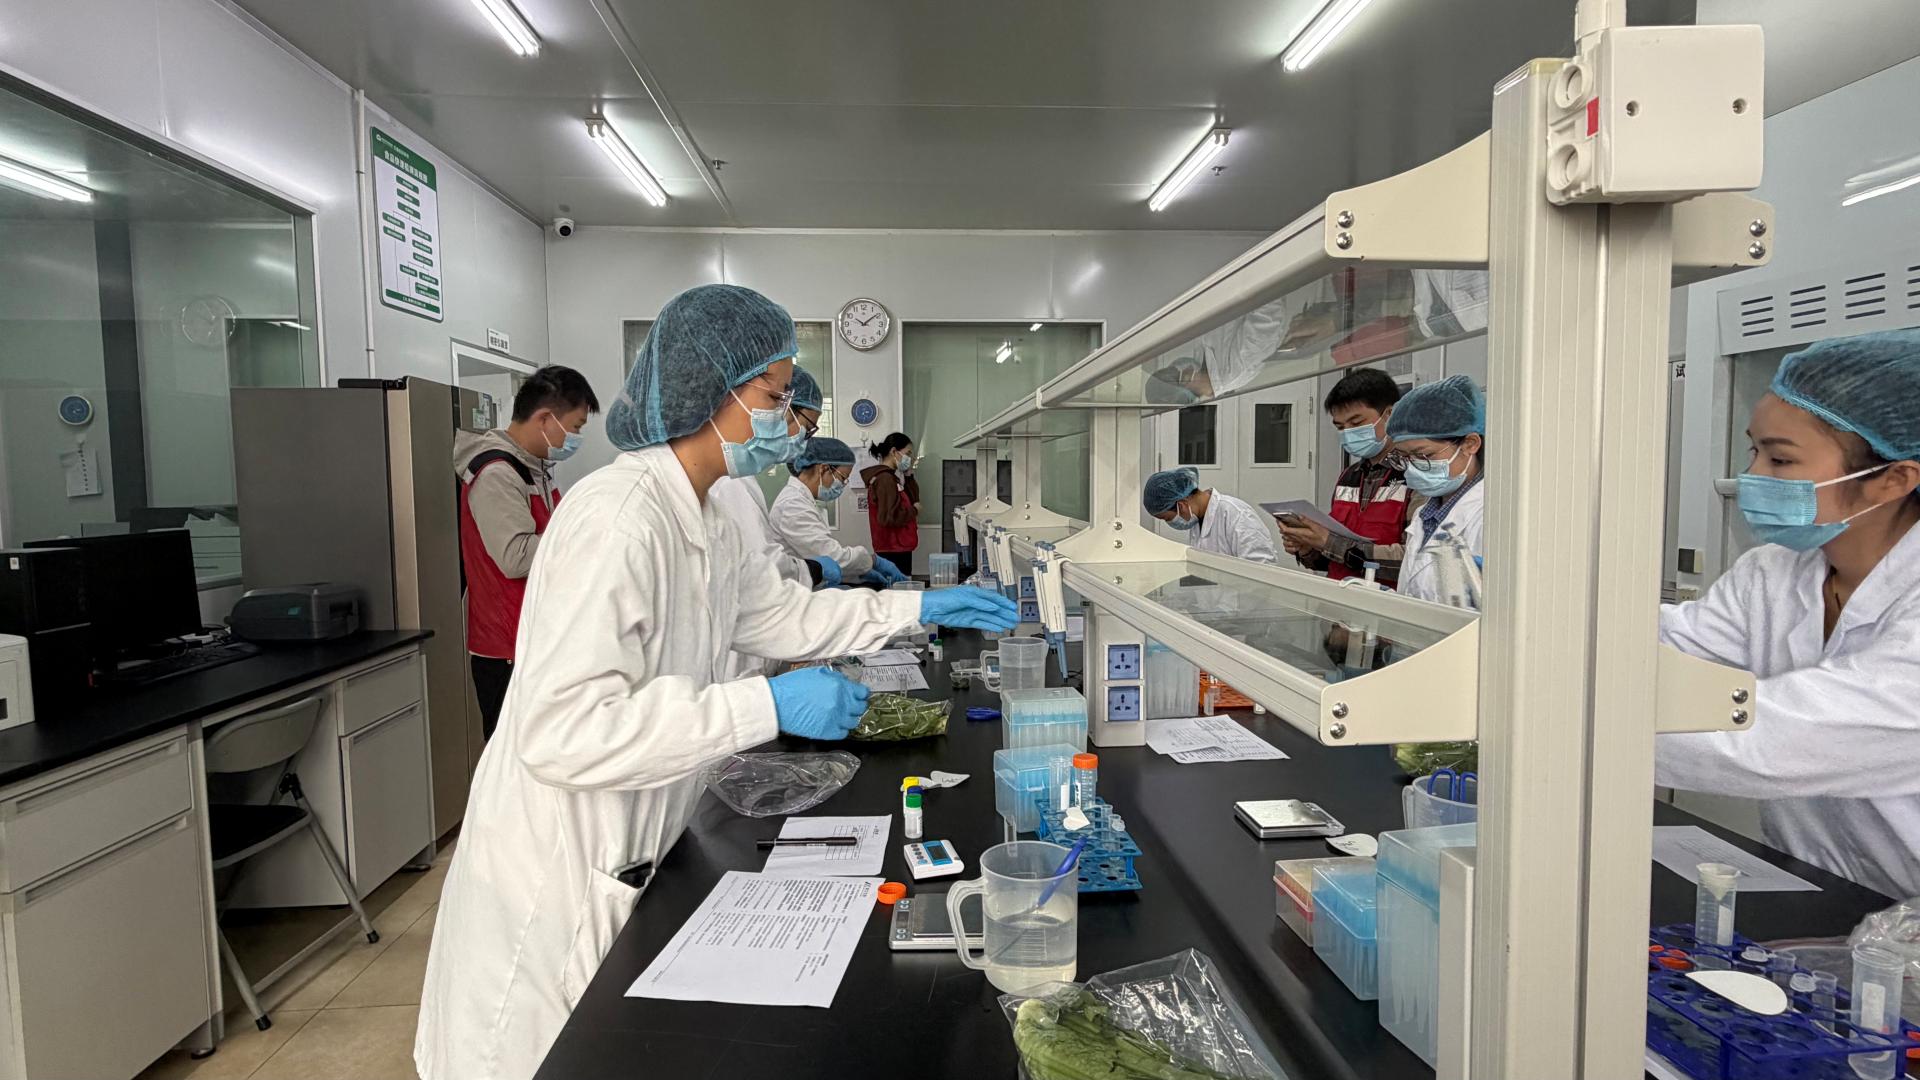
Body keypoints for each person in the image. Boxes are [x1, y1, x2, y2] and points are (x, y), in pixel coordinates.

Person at [414, 284, 1017, 1080]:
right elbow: (563, 732)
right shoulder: (617, 518)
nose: (786, 420)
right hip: (560, 871)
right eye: (774, 396)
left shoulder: (707, 513)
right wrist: (764, 703)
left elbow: (780, 616)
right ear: (708, 391)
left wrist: (915, 606)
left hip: (642, 836)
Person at [1657, 330, 1920, 899]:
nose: (1753, 475)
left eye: (1780, 458)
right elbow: (1673, 649)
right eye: (1754, 451)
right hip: (1818, 891)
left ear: (1893, 480)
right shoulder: (1773, 571)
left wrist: (1543, 716)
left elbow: (1770, 741)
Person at [453, 364, 599, 738]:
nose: (576, 437)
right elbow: (516, 556)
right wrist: (585, 535)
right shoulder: (497, 472)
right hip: (508, 650)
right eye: (576, 426)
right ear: (545, 418)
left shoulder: (534, 468)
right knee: (517, 757)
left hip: (536, 640)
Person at [1280, 368, 1413, 586]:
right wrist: (1309, 547)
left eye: (1356, 423)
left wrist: (1330, 543)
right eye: (1340, 427)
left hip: (1387, 600)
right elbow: (1334, 560)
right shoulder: (1349, 476)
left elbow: (1415, 561)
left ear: (1389, 415)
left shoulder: (1416, 475)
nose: (1348, 433)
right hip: (1340, 598)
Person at [1384, 374, 1486, 608]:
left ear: (1470, 444)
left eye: (1424, 455)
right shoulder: (1424, 515)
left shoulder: (1489, 518)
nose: (1412, 466)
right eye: (1405, 457)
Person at [770, 436, 901, 586]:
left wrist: (859, 575)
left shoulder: (802, 500)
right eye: (842, 478)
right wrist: (873, 560)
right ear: (824, 469)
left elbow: (824, 558)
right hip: (794, 589)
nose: (843, 485)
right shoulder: (793, 505)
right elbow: (832, 557)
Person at [1142, 467, 1278, 563]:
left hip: (1243, 596)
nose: (1170, 523)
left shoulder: (1236, 514)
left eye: (1167, 518)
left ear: (1181, 505)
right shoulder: (1197, 520)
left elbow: (1263, 567)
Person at [861, 432, 919, 577]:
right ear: (894, 451)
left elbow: (913, 499)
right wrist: (914, 511)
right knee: (898, 586)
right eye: (908, 453)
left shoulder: (892, 478)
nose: (910, 458)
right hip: (892, 548)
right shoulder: (885, 479)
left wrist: (908, 476)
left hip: (898, 546)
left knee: (901, 584)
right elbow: (888, 517)